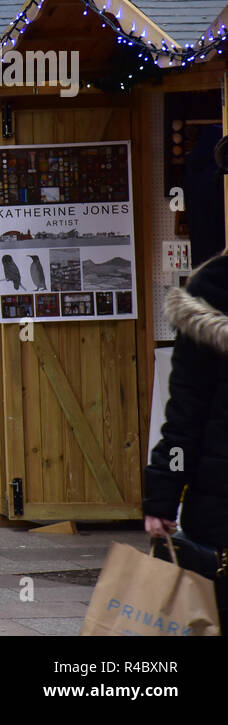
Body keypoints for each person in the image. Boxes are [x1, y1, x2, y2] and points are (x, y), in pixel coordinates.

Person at [146, 253, 228, 629]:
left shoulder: (212, 288)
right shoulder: (214, 289)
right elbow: (185, 417)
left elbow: (184, 416)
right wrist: (163, 491)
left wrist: (163, 497)